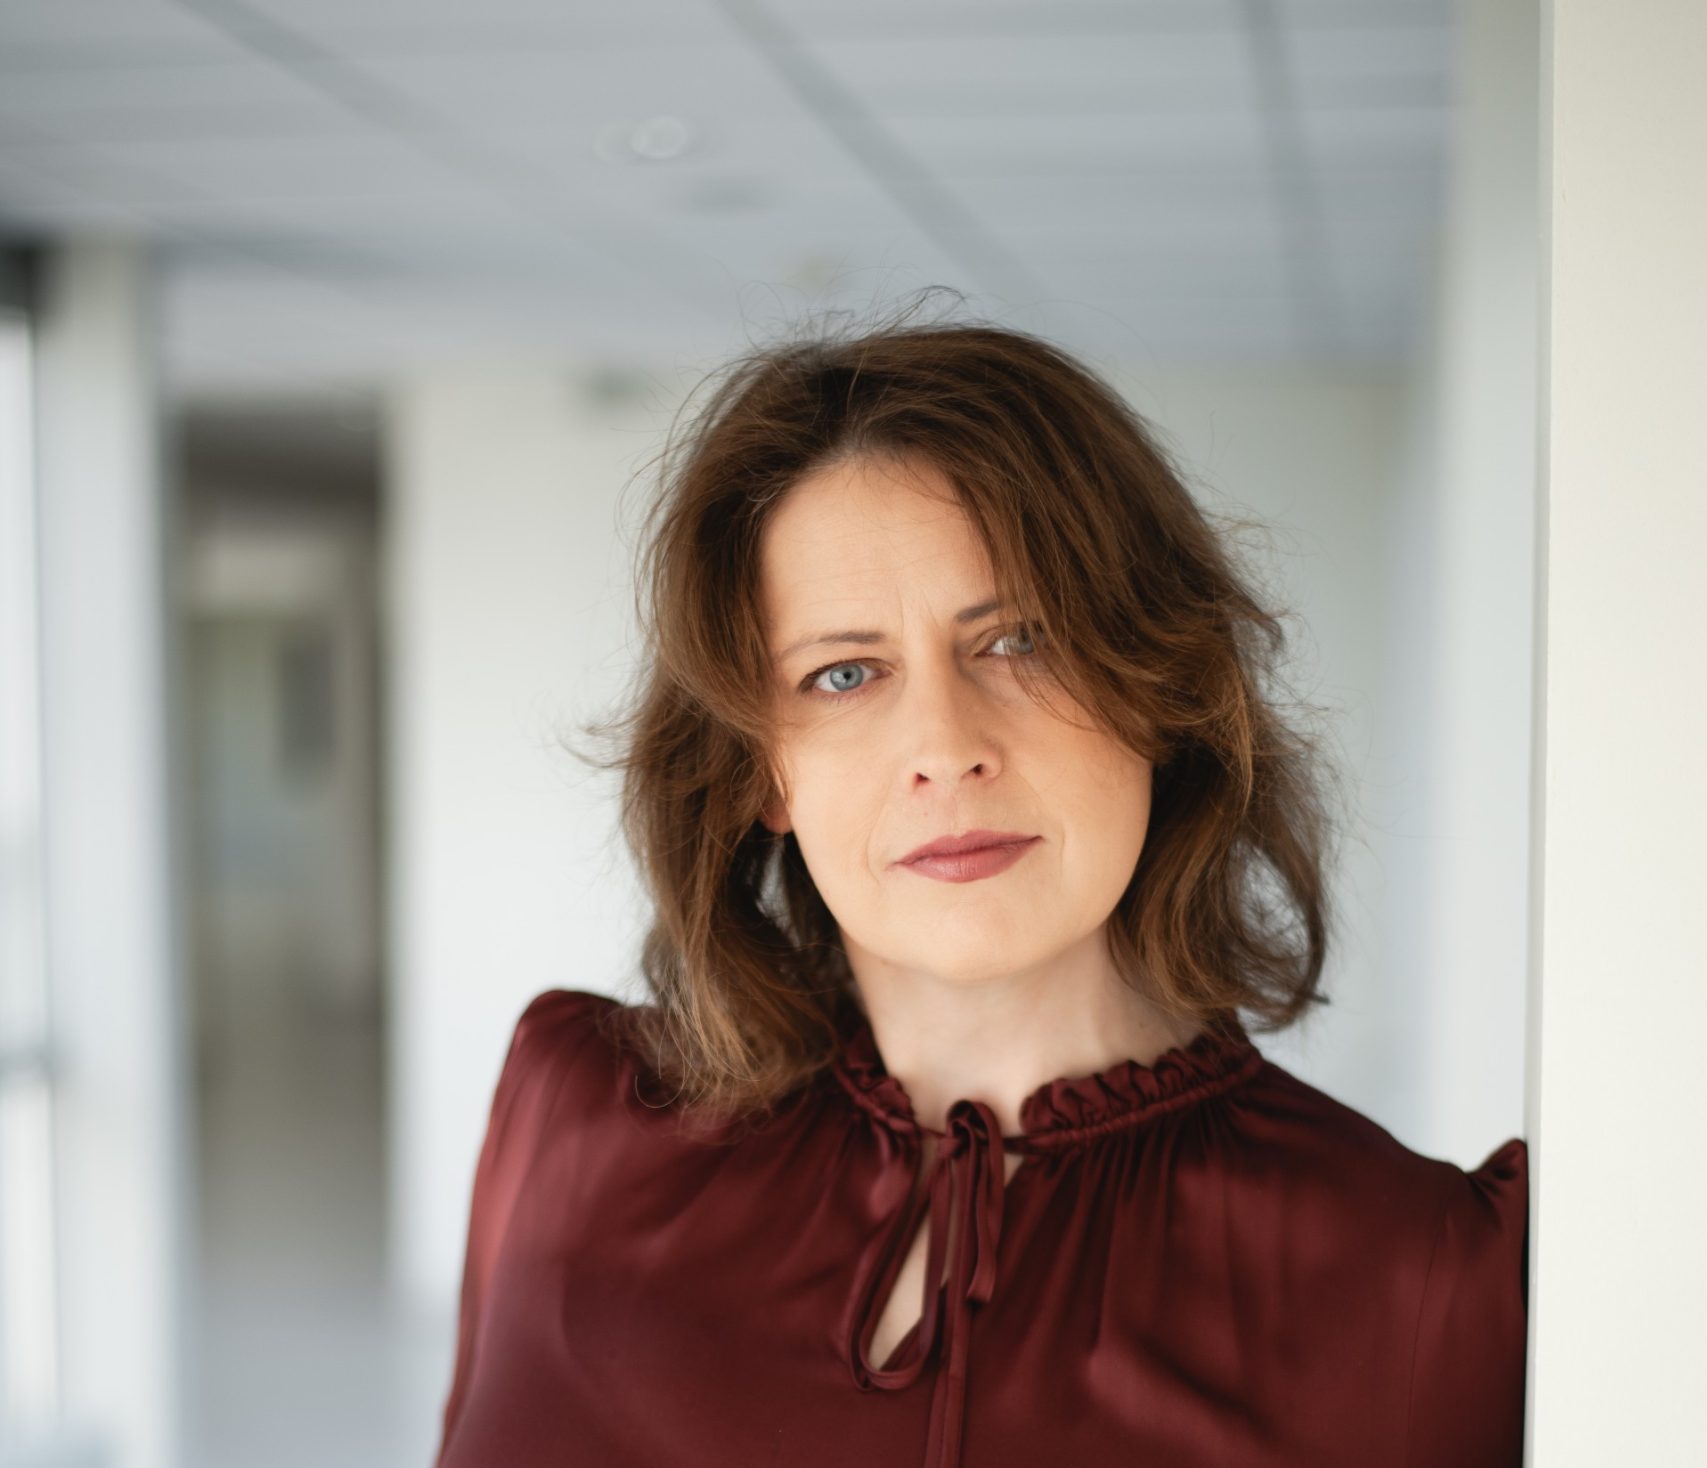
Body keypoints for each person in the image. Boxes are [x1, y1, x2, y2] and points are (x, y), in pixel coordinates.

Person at [431, 299, 1529, 1468]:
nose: (944, 747)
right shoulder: (577, 1117)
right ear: (762, 771)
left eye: (1020, 640)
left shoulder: (1420, 1275)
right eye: (844, 673)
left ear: (1158, 686)